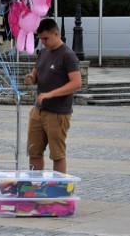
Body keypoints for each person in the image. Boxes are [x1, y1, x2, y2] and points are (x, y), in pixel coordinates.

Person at [24, 18, 81, 174]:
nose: (43, 42)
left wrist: (50, 94)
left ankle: (58, 191)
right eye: (40, 39)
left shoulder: (67, 55)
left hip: (58, 113)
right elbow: (36, 73)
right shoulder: (43, 52)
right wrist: (31, 77)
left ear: (56, 34)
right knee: (33, 151)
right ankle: (34, 186)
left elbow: (76, 83)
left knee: (57, 154)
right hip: (39, 110)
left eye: (46, 38)